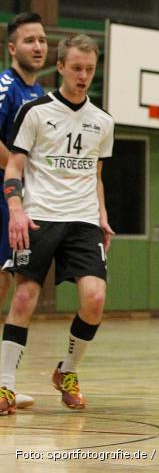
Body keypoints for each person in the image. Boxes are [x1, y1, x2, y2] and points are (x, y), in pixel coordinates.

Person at [0, 34, 114, 414]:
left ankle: (66, 371)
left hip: (82, 220)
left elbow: (96, 175)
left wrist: (102, 215)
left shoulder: (103, 121)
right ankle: (5, 386)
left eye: (90, 69)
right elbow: (14, 166)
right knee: (24, 297)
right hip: (40, 215)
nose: (83, 76)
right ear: (61, 66)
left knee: (94, 299)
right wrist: (16, 210)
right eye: (76, 68)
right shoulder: (35, 111)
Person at [0, 13, 48, 410]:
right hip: (5, 196)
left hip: (24, 201)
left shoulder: (43, 95)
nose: (38, 46)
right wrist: (17, 169)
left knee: (14, 285)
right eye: (29, 40)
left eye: (42, 40)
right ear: (12, 48)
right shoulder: (4, 87)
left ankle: (4, 382)